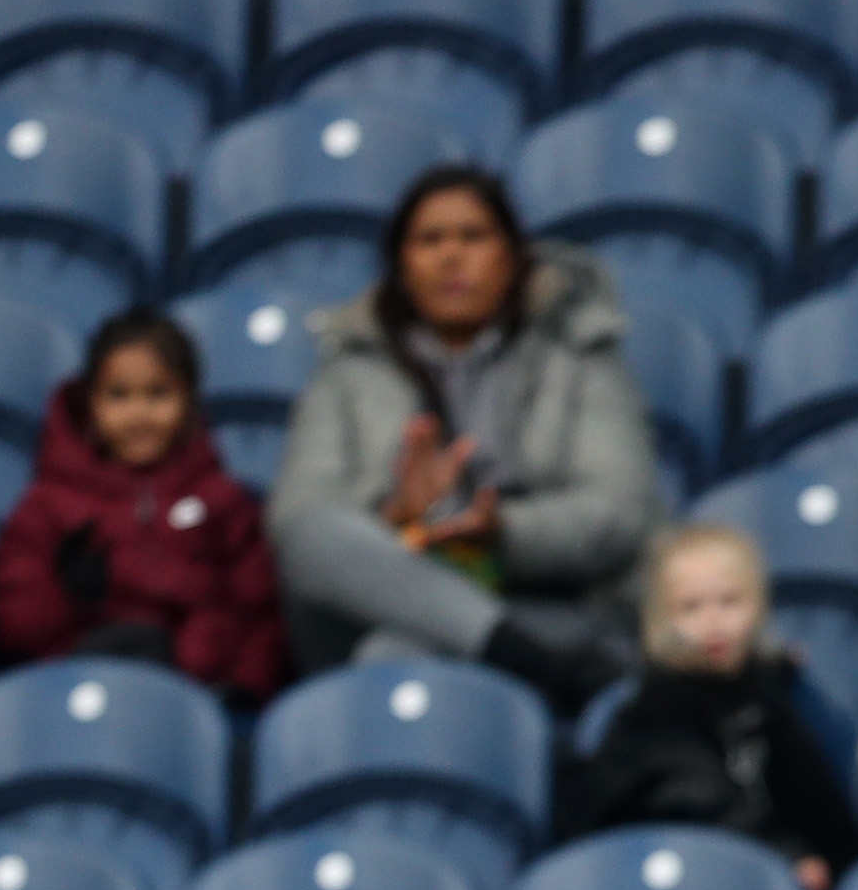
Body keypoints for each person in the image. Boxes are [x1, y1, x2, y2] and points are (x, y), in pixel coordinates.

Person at [269, 164, 660, 709]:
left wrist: (500, 534)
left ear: (514, 258)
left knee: (393, 656)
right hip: (393, 594)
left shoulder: (578, 355)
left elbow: (620, 514)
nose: (451, 257)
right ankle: (516, 655)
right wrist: (395, 518)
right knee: (312, 531)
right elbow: (301, 520)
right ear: (402, 265)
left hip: (543, 604)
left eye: (472, 237)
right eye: (429, 240)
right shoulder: (345, 372)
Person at [0, 309, 290, 705]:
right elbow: (11, 621)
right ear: (90, 403)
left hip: (198, 700)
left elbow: (257, 609)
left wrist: (245, 689)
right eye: (119, 395)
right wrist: (66, 598)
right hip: (77, 695)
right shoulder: (47, 504)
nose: (139, 414)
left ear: (189, 401)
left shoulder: (222, 500)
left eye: (158, 393)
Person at [560, 519, 858, 887]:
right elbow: (695, 796)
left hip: (757, 880)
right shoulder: (652, 710)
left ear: (758, 605)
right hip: (668, 878)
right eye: (690, 608)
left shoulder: (765, 691)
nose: (713, 622)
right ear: (662, 620)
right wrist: (787, 855)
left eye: (729, 601)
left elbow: (814, 795)